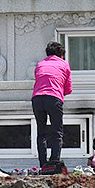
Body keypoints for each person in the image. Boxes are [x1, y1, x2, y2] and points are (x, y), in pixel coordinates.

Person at [33, 41, 72, 171]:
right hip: (54, 98)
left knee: (41, 132)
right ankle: (54, 163)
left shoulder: (40, 64)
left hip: (37, 98)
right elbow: (68, 89)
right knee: (57, 132)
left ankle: (43, 165)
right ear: (61, 54)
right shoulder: (64, 64)